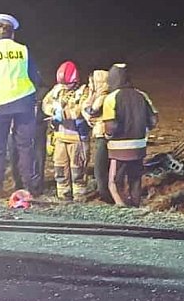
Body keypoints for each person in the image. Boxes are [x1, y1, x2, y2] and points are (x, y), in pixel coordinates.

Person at [0, 13, 42, 196]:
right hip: (24, 103)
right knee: (25, 146)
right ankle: (28, 186)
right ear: (12, 33)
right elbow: (35, 77)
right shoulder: (23, 49)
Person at [101, 63, 158, 207]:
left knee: (115, 180)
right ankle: (135, 204)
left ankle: (121, 205)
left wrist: (107, 137)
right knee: (135, 178)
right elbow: (153, 120)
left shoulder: (111, 98)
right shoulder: (142, 95)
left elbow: (110, 127)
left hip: (118, 147)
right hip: (139, 146)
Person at [41, 61, 89, 201]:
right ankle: (63, 195)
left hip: (77, 139)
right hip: (60, 137)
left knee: (77, 169)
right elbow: (46, 103)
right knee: (60, 167)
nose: (64, 86)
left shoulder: (84, 92)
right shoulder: (57, 89)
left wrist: (64, 113)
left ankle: (79, 197)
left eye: (67, 84)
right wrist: (53, 111)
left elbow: (80, 111)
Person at [82, 70, 112, 203]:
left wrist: (86, 106)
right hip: (102, 134)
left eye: (91, 82)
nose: (89, 85)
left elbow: (91, 111)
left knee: (100, 168)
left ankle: (105, 195)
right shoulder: (103, 95)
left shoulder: (102, 97)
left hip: (103, 135)